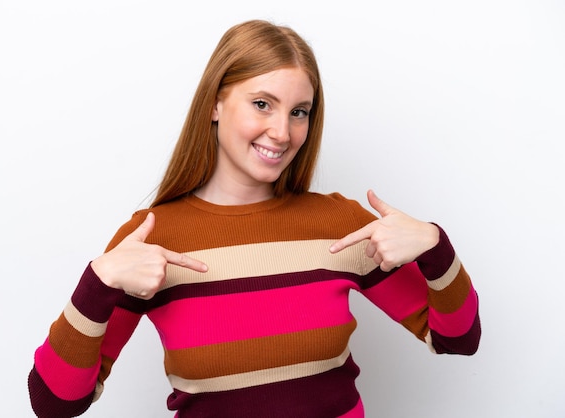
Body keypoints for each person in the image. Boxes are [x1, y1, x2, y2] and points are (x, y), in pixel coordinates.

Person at [27, 19, 481, 418]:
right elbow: (55, 404)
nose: (282, 133)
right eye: (262, 104)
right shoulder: (152, 237)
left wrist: (435, 247)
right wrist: (97, 282)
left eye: (298, 112)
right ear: (215, 104)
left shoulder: (339, 225)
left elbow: (457, 339)